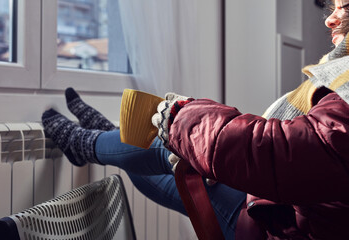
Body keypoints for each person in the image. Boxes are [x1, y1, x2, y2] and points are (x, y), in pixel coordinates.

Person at [42, 1, 349, 239]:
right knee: (158, 159)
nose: (329, 19)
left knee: (163, 143)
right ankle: (105, 139)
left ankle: (88, 144)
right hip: (297, 215)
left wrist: (178, 118)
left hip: (289, 229)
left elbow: (282, 154)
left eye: (341, 8)